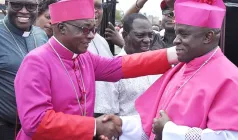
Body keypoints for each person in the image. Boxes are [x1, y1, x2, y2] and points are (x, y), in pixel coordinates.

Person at [14, 0, 178, 139]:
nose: (92, 36)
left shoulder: (83, 57)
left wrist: (175, 53)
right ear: (62, 27)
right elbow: (35, 121)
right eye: (85, 29)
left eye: (93, 29)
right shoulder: (36, 62)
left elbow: (120, 66)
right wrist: (93, 126)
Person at [116, 0, 238, 139]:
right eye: (176, 33)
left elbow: (229, 137)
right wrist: (120, 124)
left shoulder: (232, 81)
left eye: (183, 34)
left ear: (207, 37)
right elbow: (153, 122)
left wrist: (169, 131)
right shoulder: (181, 68)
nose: (175, 40)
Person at [0, 0, 48, 139]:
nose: (24, 11)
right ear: (7, 4)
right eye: (16, 5)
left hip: (39, 128)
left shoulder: (41, 35)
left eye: (31, 6)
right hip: (5, 129)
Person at [113, 13, 161, 116]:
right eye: (140, 35)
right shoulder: (113, 68)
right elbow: (107, 116)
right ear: (125, 36)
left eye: (150, 35)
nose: (147, 40)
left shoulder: (159, 63)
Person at [87, 0, 117, 117]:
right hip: (89, 115)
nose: (95, 11)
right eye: (90, 6)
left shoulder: (102, 41)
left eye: (98, 7)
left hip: (108, 113)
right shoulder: (71, 41)